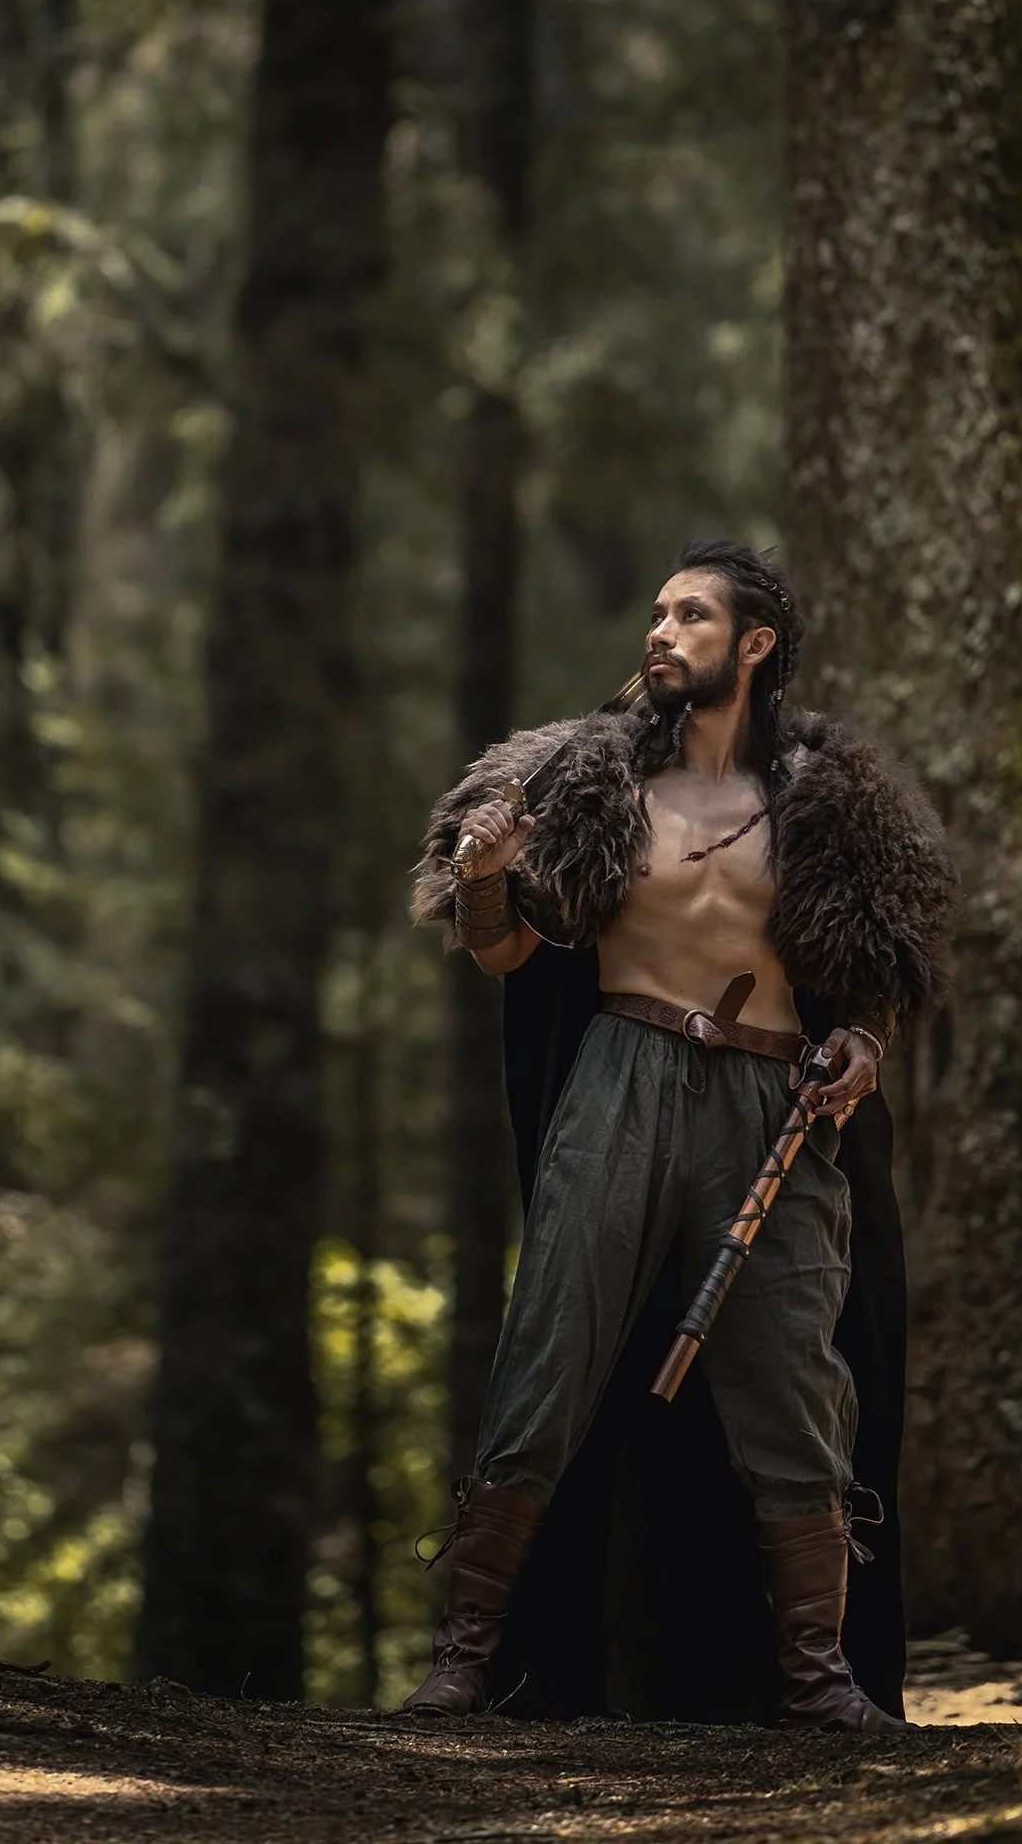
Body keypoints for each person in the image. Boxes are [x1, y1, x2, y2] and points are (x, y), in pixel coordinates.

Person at [404, 538, 955, 1730]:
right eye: (655, 613)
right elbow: (504, 953)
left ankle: (818, 1679)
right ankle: (462, 1663)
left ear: (752, 647)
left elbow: (866, 978)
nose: (659, 632)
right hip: (621, 1075)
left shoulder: (820, 799)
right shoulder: (587, 781)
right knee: (550, 1351)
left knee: (798, 1383)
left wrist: (858, 1047)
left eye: (689, 615)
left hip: (769, 1100)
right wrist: (489, 873)